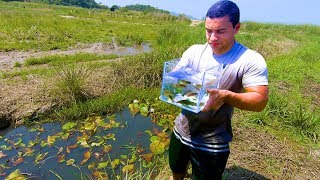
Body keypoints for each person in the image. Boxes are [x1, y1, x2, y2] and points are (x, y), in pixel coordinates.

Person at [168, 0, 269, 179]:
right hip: (181, 129)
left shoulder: (249, 59)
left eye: (220, 31)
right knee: (176, 170)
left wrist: (226, 96)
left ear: (236, 28)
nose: (212, 38)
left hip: (213, 141)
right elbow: (176, 77)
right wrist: (175, 78)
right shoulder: (194, 51)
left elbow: (260, 101)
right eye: (208, 30)